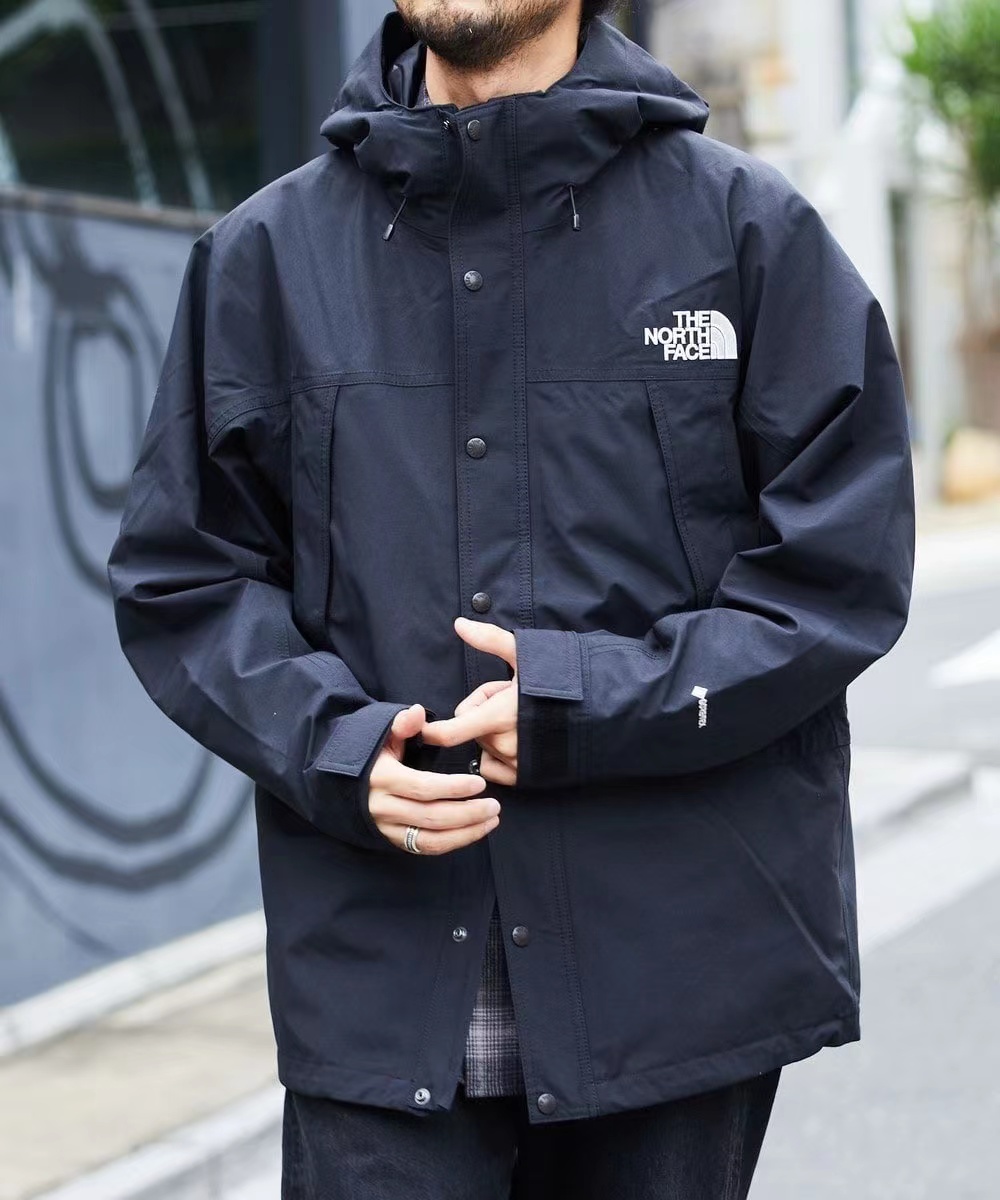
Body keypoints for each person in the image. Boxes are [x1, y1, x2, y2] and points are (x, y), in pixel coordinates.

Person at [106, 0, 916, 1196]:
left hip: (675, 971)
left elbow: (839, 572)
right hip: (380, 976)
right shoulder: (265, 258)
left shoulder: (747, 234)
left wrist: (595, 702)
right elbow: (186, 576)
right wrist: (332, 745)